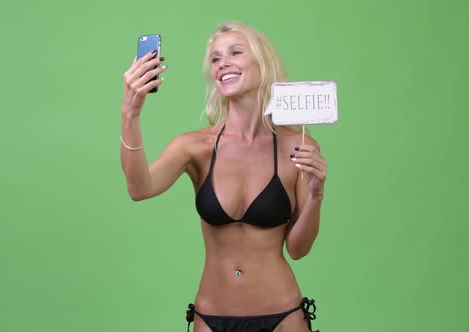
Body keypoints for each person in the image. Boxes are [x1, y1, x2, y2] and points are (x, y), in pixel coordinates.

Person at [120, 21, 327, 332]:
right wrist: (130, 114)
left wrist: (315, 195)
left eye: (235, 52)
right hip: (211, 317)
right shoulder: (195, 146)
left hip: (284, 317)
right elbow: (139, 188)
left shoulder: (296, 146)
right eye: (215, 59)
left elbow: (298, 250)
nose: (223, 63)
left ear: (263, 62)